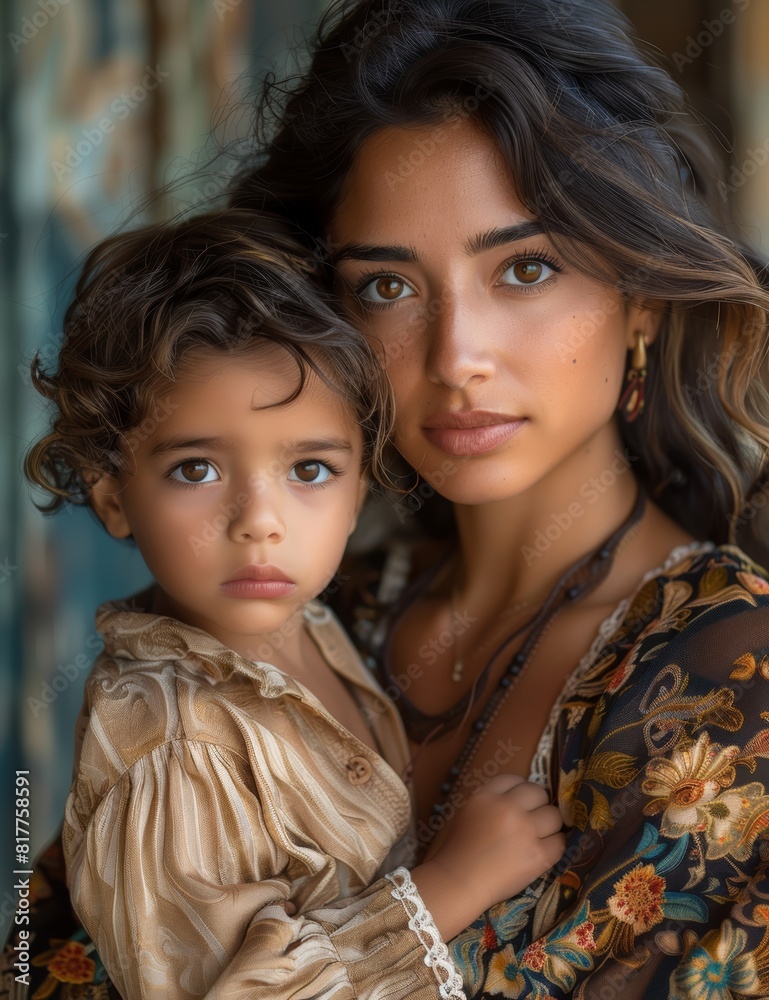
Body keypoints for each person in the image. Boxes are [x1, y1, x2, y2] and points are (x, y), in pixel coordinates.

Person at [225, 0, 769, 996]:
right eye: (387, 288)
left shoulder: (732, 682)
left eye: (524, 269)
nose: (455, 358)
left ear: (640, 295)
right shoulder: (303, 616)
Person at [12, 208, 564, 1000]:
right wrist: (450, 887)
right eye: (196, 471)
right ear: (112, 497)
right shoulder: (176, 749)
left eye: (309, 470)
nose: (260, 523)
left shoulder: (300, 622)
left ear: (359, 486)